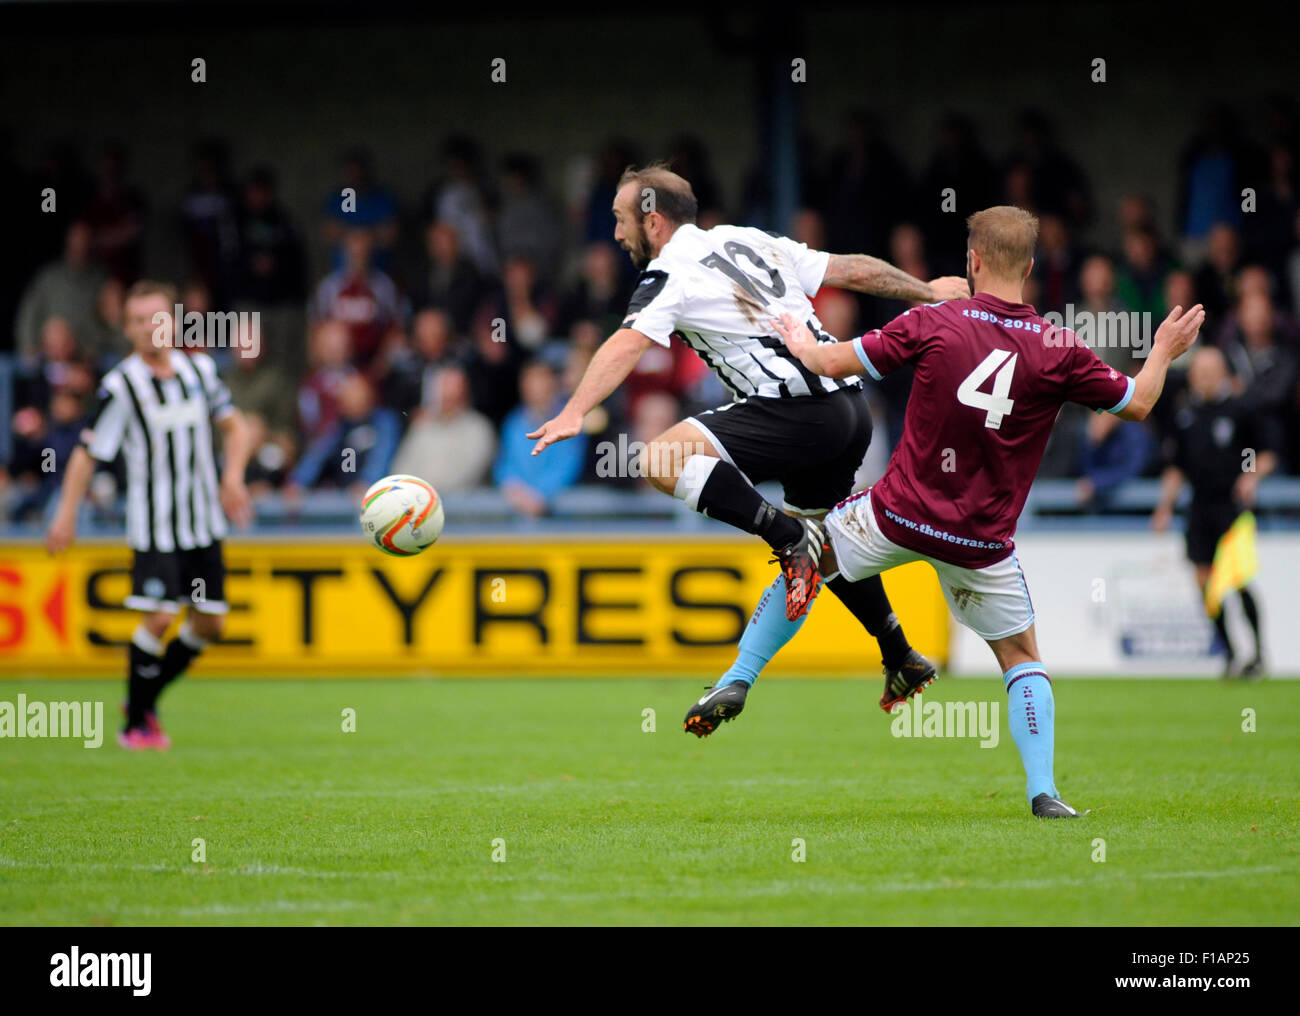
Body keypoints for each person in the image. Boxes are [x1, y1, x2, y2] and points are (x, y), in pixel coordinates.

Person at [769, 206, 1205, 817]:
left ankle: (738, 675)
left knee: (806, 558)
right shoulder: (1059, 346)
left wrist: (800, 341)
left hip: (898, 515)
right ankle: (1044, 793)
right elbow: (1137, 403)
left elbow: (834, 362)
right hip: (980, 542)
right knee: (1022, 658)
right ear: (1028, 267)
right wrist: (1161, 349)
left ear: (972, 261)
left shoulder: (937, 318)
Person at [527, 163, 969, 735]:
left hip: (795, 407)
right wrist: (927, 290)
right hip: (849, 408)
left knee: (658, 459)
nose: (615, 234)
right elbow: (849, 268)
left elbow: (627, 342)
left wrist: (573, 410)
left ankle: (785, 537)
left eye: (619, 220)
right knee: (822, 557)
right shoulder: (748, 239)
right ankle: (892, 654)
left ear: (653, 221)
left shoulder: (668, 274)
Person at [45, 280, 253, 749]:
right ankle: (136, 726)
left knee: (211, 624)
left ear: (173, 322)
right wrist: (66, 514)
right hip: (156, 526)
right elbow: (86, 453)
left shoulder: (198, 369)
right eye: (137, 320)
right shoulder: (121, 386)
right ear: (127, 328)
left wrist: (233, 476)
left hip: (203, 523)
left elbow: (235, 426)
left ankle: (144, 697)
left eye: (155, 318)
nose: (147, 328)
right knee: (160, 617)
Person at [1152, 346, 1276, 678]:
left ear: (1223, 373)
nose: (1204, 379)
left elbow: (1262, 452)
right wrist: (1164, 507)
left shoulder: (1240, 410)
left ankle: (1259, 654)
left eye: (1210, 372)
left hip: (1231, 509)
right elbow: (1176, 466)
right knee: (1205, 586)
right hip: (1199, 508)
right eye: (1199, 373)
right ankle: (1231, 654)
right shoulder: (1185, 415)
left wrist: (1250, 476)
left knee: (1237, 580)